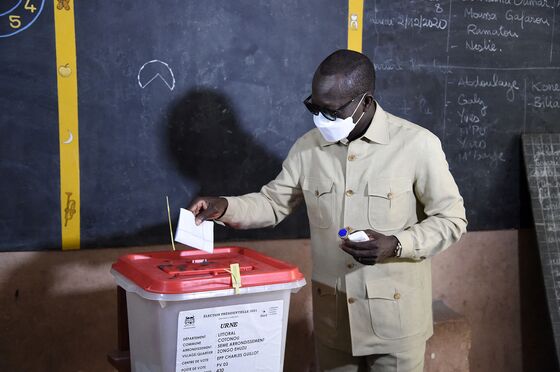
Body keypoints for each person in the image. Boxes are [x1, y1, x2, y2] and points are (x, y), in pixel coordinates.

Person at [189, 49, 467, 372]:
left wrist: (396, 244)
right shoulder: (308, 148)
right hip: (333, 324)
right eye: (315, 108)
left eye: (331, 111)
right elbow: (272, 203)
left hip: (396, 325)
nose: (321, 119)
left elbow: (452, 220)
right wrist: (224, 207)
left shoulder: (417, 145)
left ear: (364, 102)